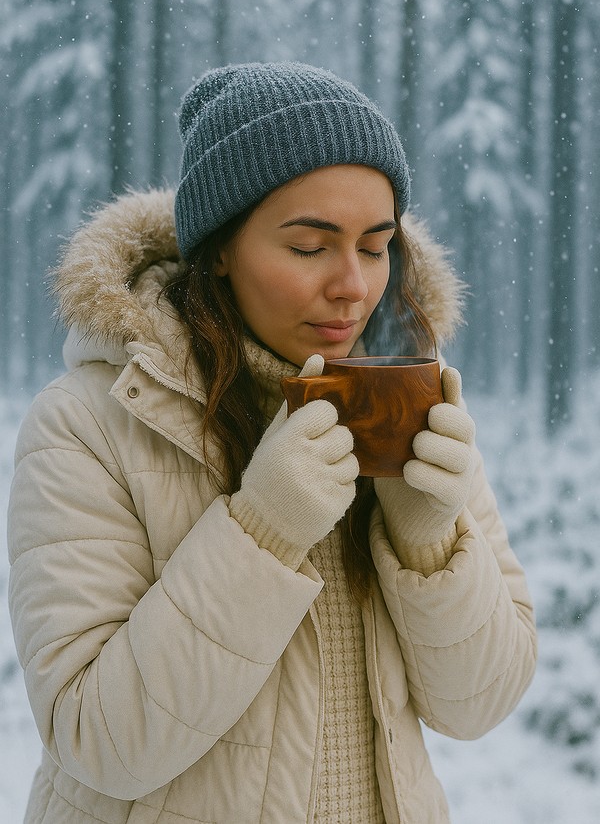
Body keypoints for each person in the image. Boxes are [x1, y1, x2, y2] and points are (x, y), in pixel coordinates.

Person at [7, 61, 537, 824]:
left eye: (376, 244)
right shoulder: (90, 424)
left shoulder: (404, 402)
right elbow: (101, 742)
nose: (353, 285)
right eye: (309, 246)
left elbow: (479, 704)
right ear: (220, 248)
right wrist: (263, 530)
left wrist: (429, 540)